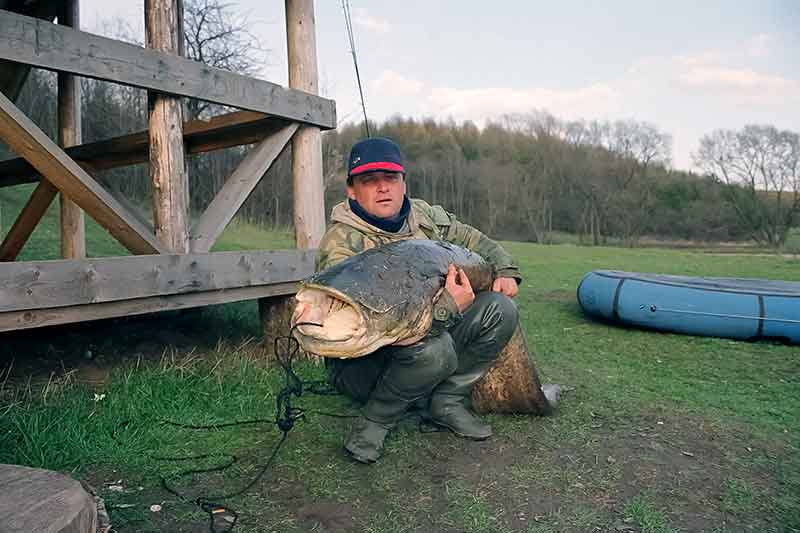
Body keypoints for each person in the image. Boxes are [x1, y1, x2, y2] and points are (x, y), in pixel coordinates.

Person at [316, 137, 521, 464]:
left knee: (501, 310)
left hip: (427, 333)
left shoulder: (425, 216)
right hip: (363, 360)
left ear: (404, 183)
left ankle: (446, 401)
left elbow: (472, 238)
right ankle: (375, 422)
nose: (383, 188)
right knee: (432, 351)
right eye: (370, 181)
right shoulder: (341, 246)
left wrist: (505, 268)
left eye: (391, 179)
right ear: (352, 191)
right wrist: (447, 309)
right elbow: (374, 330)